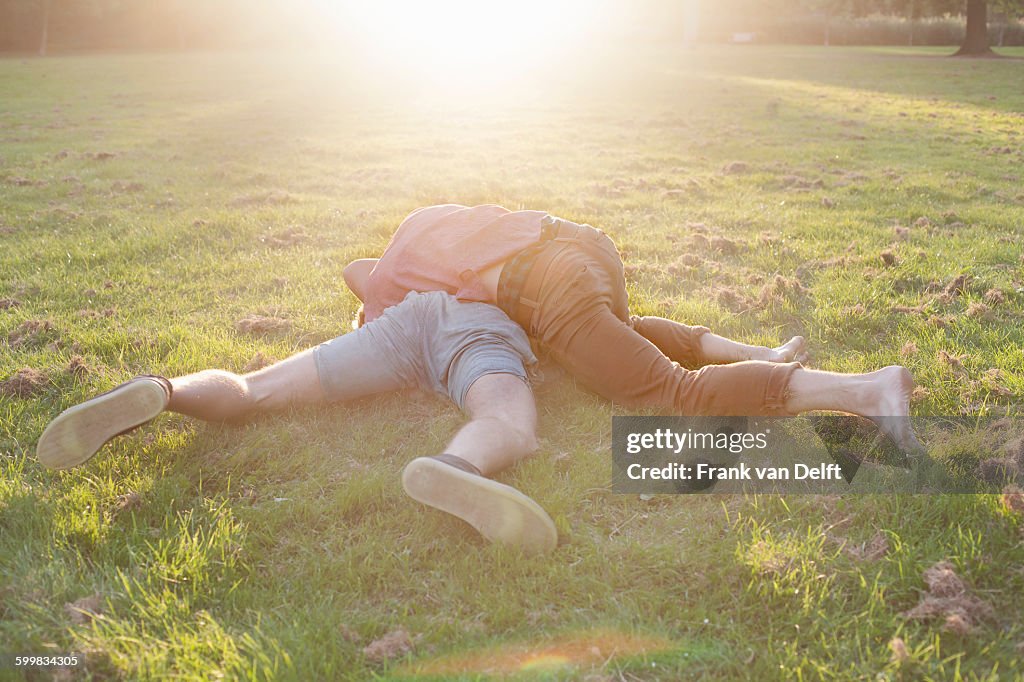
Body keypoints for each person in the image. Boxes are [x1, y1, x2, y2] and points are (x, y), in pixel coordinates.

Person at [345, 204, 925, 455]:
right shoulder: (421, 225)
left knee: (672, 394)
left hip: (545, 289)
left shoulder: (388, 291)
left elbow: (397, 345)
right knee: (622, 335)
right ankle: (756, 352)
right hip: (585, 250)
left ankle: (865, 390)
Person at [36, 291, 558, 554]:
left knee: (254, 389)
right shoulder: (540, 268)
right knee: (505, 417)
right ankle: (456, 465)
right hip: (480, 332)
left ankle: (163, 390)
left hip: (405, 321)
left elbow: (360, 271)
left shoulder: (430, 235)